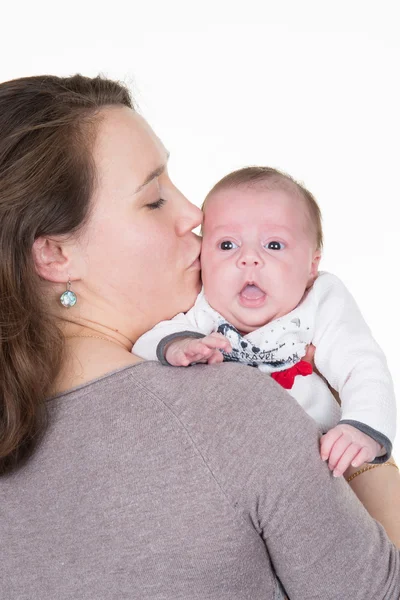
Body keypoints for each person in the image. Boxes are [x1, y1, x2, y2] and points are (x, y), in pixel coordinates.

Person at [0, 74, 399, 600]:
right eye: (154, 199)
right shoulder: (231, 409)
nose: (195, 215)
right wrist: (365, 449)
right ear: (54, 254)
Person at [133, 167, 396, 478]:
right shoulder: (204, 309)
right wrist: (180, 345)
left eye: (273, 245)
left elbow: (362, 365)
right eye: (227, 245)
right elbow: (148, 342)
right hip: (231, 469)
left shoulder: (320, 300)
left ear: (312, 265)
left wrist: (361, 428)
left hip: (319, 460)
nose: (249, 259)